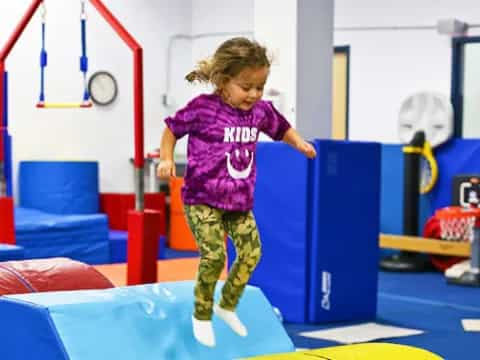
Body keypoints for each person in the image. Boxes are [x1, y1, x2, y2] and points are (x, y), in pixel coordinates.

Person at [157, 37, 316, 347]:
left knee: (252, 253)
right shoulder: (202, 109)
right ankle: (201, 315)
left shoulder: (260, 111)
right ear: (223, 80)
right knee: (215, 256)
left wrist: (298, 143)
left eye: (260, 86)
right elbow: (171, 130)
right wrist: (165, 159)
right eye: (246, 87)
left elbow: (281, 127)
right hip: (203, 199)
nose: (254, 94)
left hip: (238, 202)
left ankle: (226, 305)